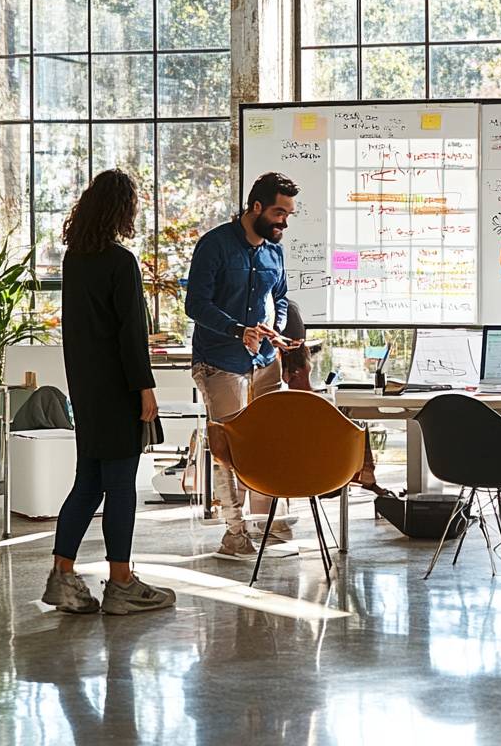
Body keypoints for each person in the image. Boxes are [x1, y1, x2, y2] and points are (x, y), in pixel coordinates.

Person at [41, 169, 176, 616]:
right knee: (121, 488)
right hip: (119, 390)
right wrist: (145, 388)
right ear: (122, 209)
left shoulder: (74, 260)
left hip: (86, 388)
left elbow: (82, 333)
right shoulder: (120, 262)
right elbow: (130, 335)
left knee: (88, 482)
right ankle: (121, 583)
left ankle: (63, 576)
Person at [185, 172, 298, 560]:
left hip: (266, 361)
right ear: (256, 208)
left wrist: (276, 330)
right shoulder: (214, 245)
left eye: (289, 213)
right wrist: (238, 331)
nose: (284, 221)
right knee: (228, 449)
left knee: (269, 440)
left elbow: (280, 297)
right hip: (220, 360)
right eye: (279, 212)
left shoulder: (274, 251)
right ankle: (234, 534)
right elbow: (195, 305)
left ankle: (268, 525)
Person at [279, 300, 393, 497]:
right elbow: (302, 398)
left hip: (294, 439)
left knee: (349, 419)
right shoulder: (290, 364)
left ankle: (364, 477)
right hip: (309, 459)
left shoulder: (282, 362)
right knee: (353, 422)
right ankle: (364, 477)